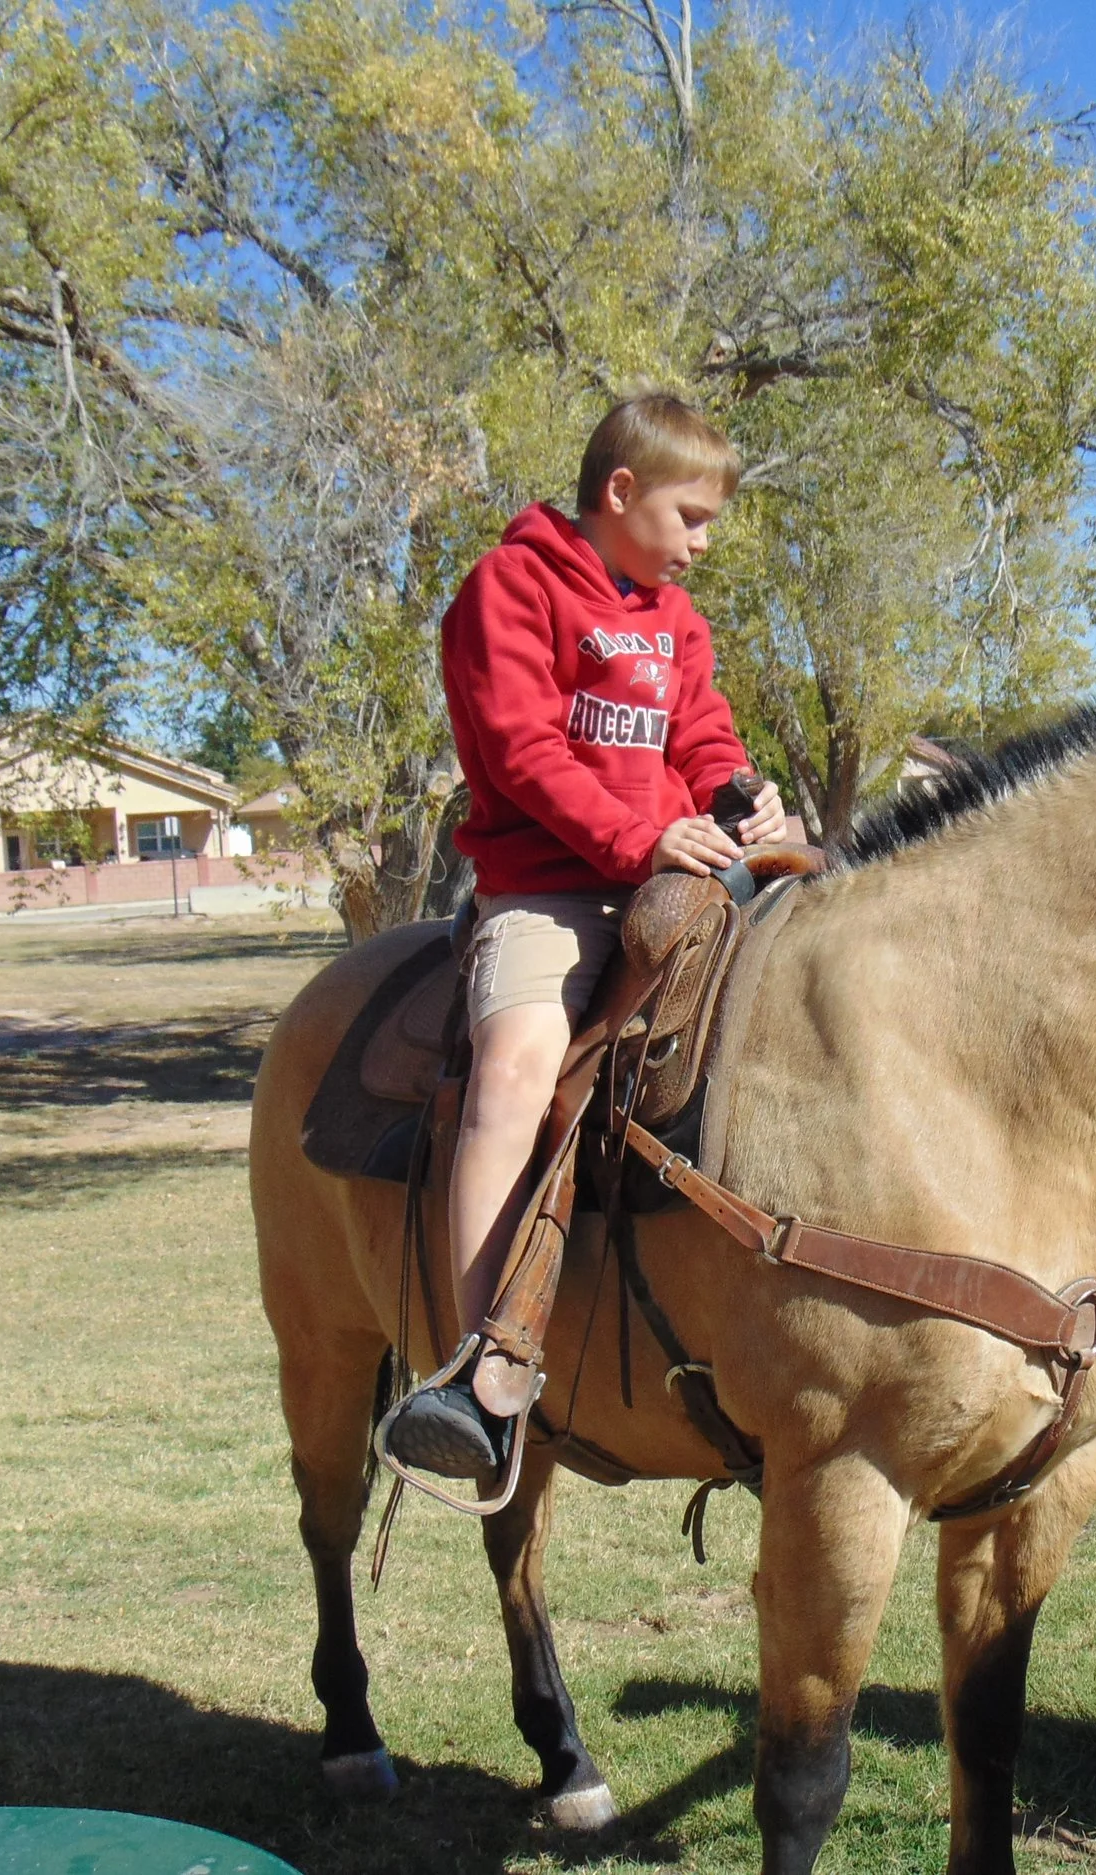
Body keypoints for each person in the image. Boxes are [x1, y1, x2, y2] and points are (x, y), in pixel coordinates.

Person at [384, 394, 786, 1480]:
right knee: (513, 1074)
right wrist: (641, 835)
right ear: (621, 494)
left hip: (672, 878)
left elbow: (701, 731)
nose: (702, 542)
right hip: (548, 892)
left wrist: (740, 796)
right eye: (691, 516)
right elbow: (520, 751)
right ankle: (474, 1364)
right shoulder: (507, 588)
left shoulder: (675, 620)